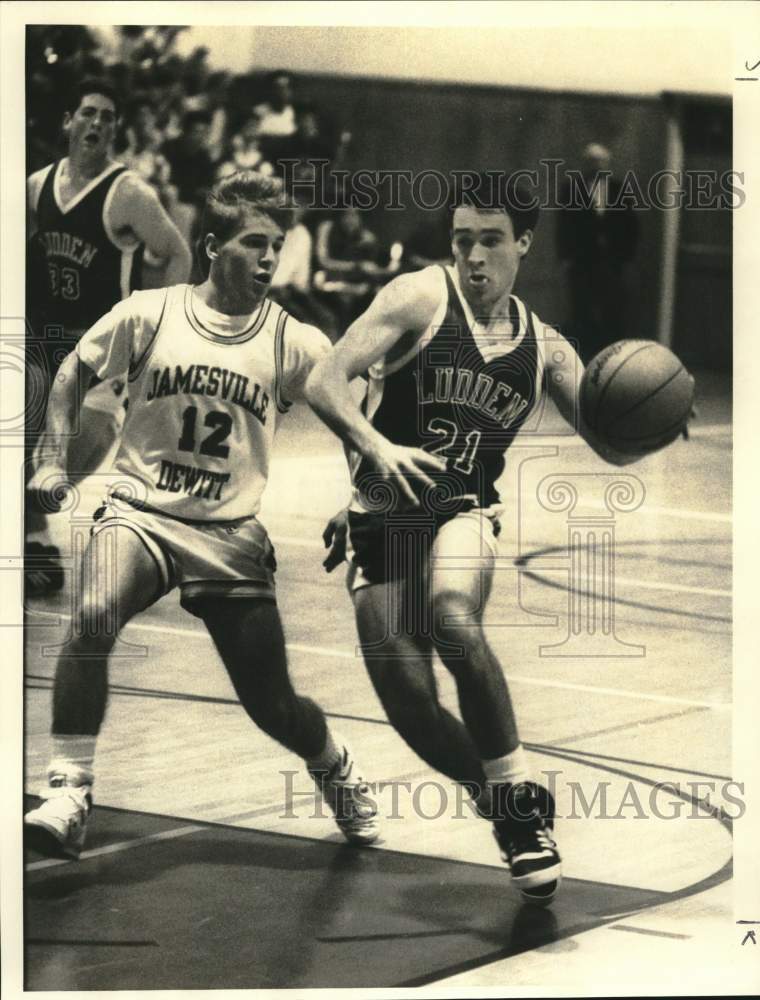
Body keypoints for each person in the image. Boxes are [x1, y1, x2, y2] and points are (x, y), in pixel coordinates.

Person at [305, 173, 685, 904]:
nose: (473, 255)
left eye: (489, 241)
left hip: (461, 512)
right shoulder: (418, 296)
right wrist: (374, 451)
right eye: (461, 239)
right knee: (411, 704)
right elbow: (325, 380)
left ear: (523, 245)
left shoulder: (547, 347)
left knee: (452, 616)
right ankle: (511, 806)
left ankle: (512, 798)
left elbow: (610, 444)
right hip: (381, 518)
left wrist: (660, 422)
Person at [24, 171, 379, 860]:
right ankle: (68, 789)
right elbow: (73, 368)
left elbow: (355, 400)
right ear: (214, 246)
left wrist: (362, 493)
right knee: (93, 614)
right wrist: (51, 457)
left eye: (278, 244)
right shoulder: (150, 312)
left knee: (273, 707)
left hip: (229, 531)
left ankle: (332, 763)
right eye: (256, 242)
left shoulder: (290, 338)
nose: (272, 258)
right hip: (142, 511)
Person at [26, 78, 192, 594]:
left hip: (102, 346)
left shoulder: (129, 195)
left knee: (77, 459)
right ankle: (33, 541)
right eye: (90, 113)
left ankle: (30, 524)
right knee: (22, 444)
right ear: (69, 121)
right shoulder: (35, 186)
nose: (98, 123)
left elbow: (178, 252)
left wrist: (161, 329)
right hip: (44, 338)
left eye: (109, 117)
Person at [556, 143, 639, 361]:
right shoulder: (572, 188)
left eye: (601, 161)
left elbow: (630, 224)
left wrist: (626, 257)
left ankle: (611, 358)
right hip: (582, 260)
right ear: (586, 163)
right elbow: (564, 224)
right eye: (593, 161)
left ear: (608, 164)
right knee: (581, 308)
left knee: (612, 308)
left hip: (612, 261)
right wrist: (565, 256)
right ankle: (581, 357)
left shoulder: (619, 188)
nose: (597, 166)